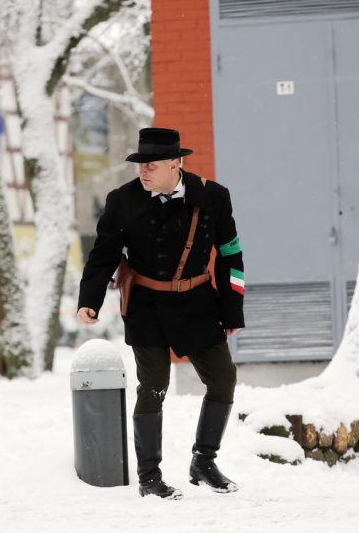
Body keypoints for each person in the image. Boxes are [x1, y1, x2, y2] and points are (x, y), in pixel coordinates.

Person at [77, 127, 245, 499]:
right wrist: (89, 299)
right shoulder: (122, 201)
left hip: (199, 303)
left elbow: (231, 255)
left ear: (175, 163)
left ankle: (204, 461)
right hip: (146, 306)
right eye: (140, 165)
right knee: (153, 388)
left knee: (223, 379)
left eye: (151, 165)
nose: (143, 172)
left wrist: (232, 312)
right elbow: (103, 255)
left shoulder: (213, 197)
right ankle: (149, 477)